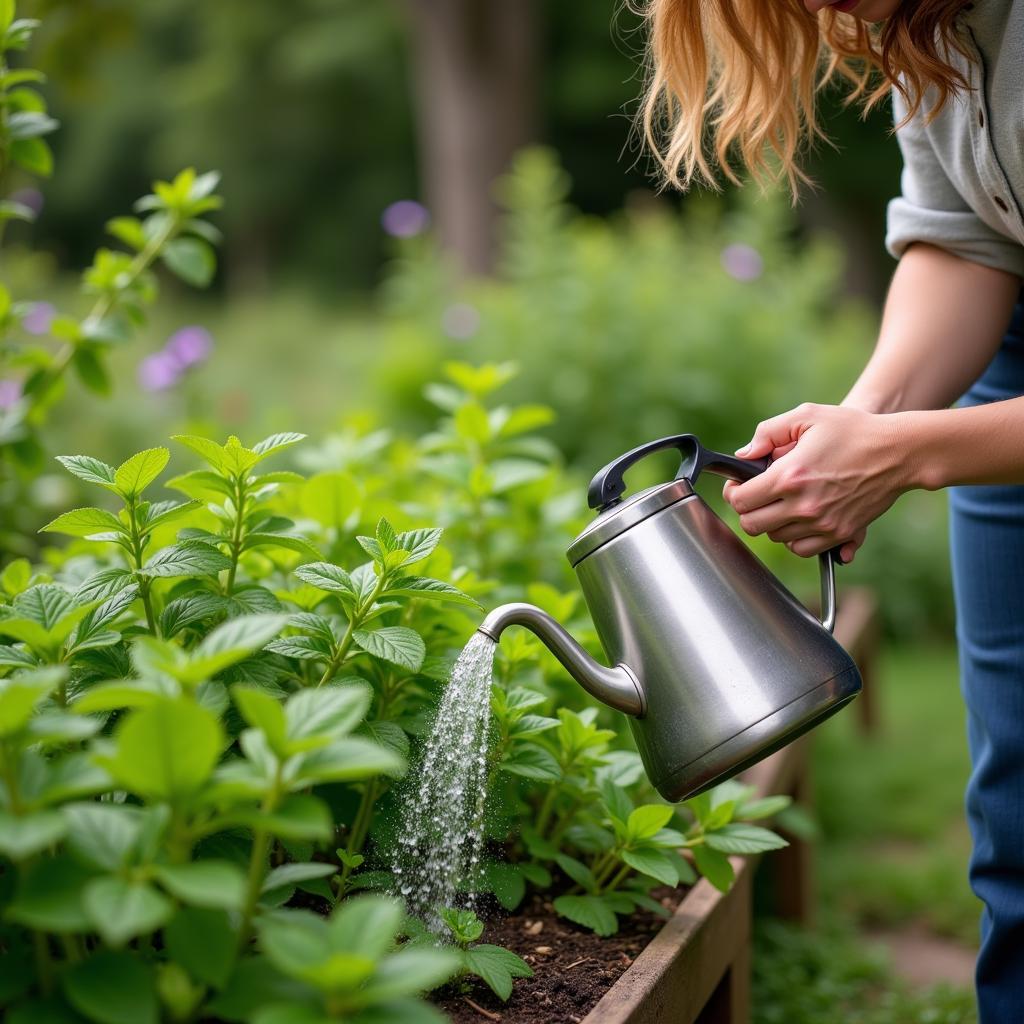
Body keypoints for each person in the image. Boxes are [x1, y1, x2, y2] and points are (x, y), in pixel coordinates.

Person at [636, 0, 1024, 1019]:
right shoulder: (924, 22)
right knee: (1018, 824)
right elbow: (965, 236)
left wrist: (911, 452)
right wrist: (863, 427)